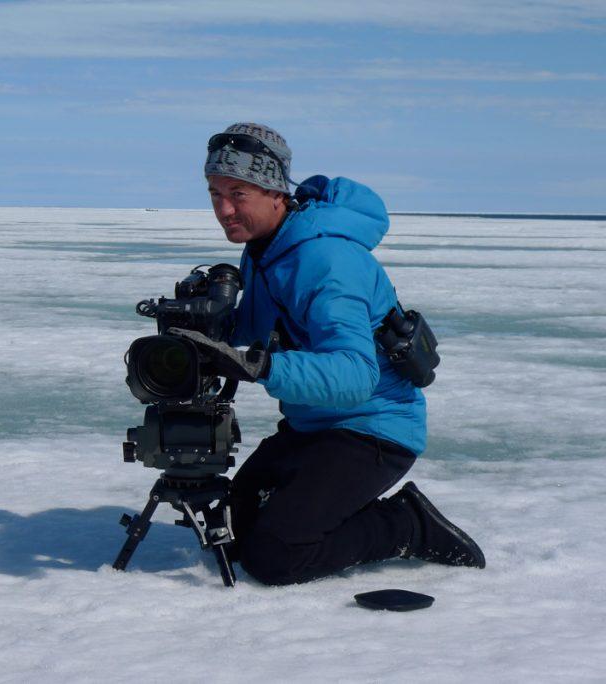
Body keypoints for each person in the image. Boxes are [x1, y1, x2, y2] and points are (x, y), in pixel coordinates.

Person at [172, 122, 485, 585]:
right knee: (233, 531)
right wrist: (206, 321)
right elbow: (261, 325)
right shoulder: (265, 249)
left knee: (276, 556)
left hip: (373, 429)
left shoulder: (325, 262)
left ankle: (408, 526)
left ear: (276, 192)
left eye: (237, 193)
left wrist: (260, 366)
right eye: (215, 193)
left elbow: (356, 374)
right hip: (312, 425)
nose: (223, 209)